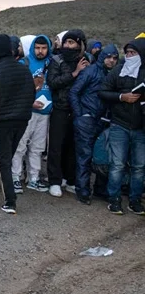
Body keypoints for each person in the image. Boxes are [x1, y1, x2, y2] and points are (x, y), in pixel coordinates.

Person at [0, 34, 36, 214]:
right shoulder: (24, 70)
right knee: (5, 157)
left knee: (3, 160)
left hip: (1, 122)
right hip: (22, 121)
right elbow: (31, 96)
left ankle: (10, 201)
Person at [98, 39, 145, 215]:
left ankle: (135, 200)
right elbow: (103, 91)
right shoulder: (118, 71)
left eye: (134, 53)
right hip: (120, 124)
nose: (130, 56)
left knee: (139, 166)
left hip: (140, 127)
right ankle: (114, 199)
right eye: (128, 53)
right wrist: (121, 97)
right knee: (117, 164)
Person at [70, 43, 112, 204]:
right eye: (109, 57)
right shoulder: (91, 71)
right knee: (85, 156)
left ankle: (100, 189)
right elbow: (75, 92)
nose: (112, 60)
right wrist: (80, 114)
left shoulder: (112, 74)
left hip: (103, 120)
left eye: (115, 58)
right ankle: (83, 191)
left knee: (101, 156)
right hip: (87, 119)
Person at [46, 29, 87, 197]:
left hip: (79, 109)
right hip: (60, 108)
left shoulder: (86, 60)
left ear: (80, 44)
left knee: (73, 145)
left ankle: (69, 179)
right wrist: (74, 73)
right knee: (56, 145)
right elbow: (53, 82)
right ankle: (54, 181)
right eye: (66, 42)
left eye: (71, 42)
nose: (67, 46)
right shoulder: (57, 60)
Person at [11, 35, 53, 194]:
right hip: (27, 111)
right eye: (37, 48)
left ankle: (33, 178)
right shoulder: (24, 63)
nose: (40, 51)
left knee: (37, 147)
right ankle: (15, 176)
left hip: (45, 112)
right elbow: (18, 88)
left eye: (43, 48)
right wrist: (29, 101)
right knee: (20, 145)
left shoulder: (52, 64)